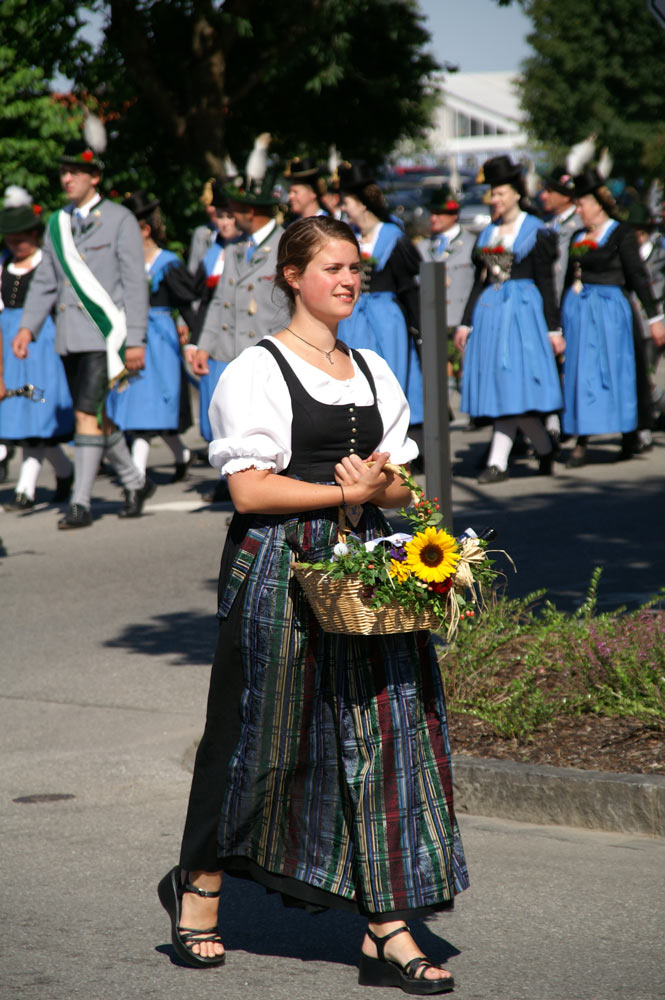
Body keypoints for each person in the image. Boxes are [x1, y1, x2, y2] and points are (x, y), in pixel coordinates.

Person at [158, 217, 467, 992]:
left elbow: (403, 483)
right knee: (252, 737)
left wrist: (375, 493)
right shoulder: (255, 371)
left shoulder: (371, 368)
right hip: (276, 567)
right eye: (333, 266)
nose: (350, 279)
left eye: (356, 267)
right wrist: (342, 490)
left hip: (362, 568)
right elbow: (248, 487)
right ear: (292, 275)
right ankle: (199, 888)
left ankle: (386, 926)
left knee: (380, 737)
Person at [12, 126, 152, 528]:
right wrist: (28, 328)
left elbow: (134, 283)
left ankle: (81, 502)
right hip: (70, 337)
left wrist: (136, 340)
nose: (66, 178)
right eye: (63, 172)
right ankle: (134, 481)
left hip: (108, 337)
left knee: (85, 416)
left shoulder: (120, 219)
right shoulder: (56, 223)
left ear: (95, 177)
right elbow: (45, 282)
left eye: (74, 172)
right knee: (93, 415)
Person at [454, 155, 565, 483]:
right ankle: (544, 448)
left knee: (514, 389)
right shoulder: (488, 232)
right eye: (493, 194)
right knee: (504, 390)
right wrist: (465, 322)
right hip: (491, 315)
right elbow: (480, 282)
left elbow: (546, 282)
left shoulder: (536, 230)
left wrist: (554, 328)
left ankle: (500, 462)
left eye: (500, 193)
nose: (495, 199)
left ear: (517, 193)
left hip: (523, 314)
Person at [560, 170, 665, 467]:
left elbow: (638, 276)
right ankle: (581, 439)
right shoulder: (578, 237)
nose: (578, 211)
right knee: (581, 374)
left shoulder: (620, 233)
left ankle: (629, 433)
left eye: (581, 205)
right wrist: (557, 322)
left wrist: (655, 316)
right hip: (581, 313)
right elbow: (569, 279)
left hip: (611, 312)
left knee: (619, 372)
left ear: (598, 204)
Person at [106, 191, 199, 482]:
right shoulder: (120, 264)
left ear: (144, 230)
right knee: (140, 410)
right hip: (130, 336)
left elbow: (187, 303)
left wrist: (196, 339)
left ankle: (136, 480)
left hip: (159, 342)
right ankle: (181, 454)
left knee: (153, 409)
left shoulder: (166, 263)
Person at [337, 161, 424, 448]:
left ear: (362, 204)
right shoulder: (350, 236)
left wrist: (418, 326)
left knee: (390, 376)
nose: (344, 208)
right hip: (354, 318)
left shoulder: (392, 236)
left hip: (386, 318)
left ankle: (398, 441)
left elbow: (409, 286)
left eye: (347, 202)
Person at [0, 186, 74, 509]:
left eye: (21, 238)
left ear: (34, 234)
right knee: (23, 419)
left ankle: (25, 490)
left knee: (40, 415)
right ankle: (65, 471)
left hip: (44, 348)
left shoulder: (48, 263)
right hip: (11, 348)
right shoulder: (4, 267)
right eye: (10, 239)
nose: (15, 245)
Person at [625, 201, 665, 443]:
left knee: (646, 377)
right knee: (640, 377)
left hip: (656, 322)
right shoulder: (629, 254)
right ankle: (644, 427)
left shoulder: (660, 254)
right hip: (636, 322)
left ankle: (645, 427)